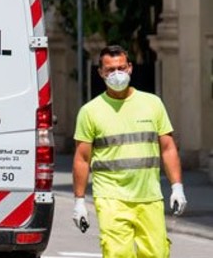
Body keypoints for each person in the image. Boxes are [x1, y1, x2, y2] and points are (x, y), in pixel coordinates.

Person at [72, 45, 184, 258]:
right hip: (111, 198)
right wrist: (79, 202)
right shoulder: (90, 111)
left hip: (149, 196)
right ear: (101, 73)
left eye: (121, 68)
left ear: (130, 68)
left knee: (157, 254)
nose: (116, 74)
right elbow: (82, 159)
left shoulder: (153, 104)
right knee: (117, 254)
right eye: (110, 70)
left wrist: (177, 187)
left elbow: (168, 148)